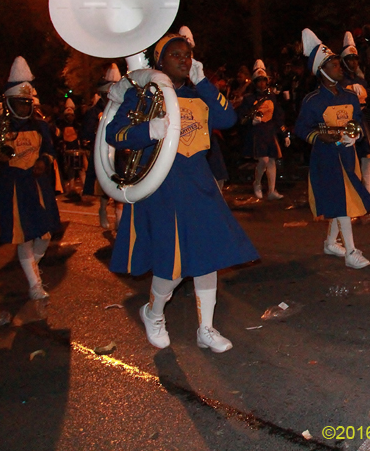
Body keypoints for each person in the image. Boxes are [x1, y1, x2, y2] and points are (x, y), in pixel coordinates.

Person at [106, 30, 259, 352]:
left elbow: (228, 118)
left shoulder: (198, 93)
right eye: (175, 54)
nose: (183, 59)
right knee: (172, 260)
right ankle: (154, 312)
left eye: (187, 54)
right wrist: (148, 130)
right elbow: (114, 134)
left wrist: (204, 83)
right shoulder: (145, 96)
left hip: (199, 184)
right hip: (162, 188)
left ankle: (206, 327)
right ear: (160, 61)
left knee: (208, 257)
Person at [0, 57, 60, 299]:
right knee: (23, 236)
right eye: (19, 104)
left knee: (45, 234)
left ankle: (33, 269)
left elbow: (50, 151)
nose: (24, 108)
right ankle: (34, 284)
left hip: (38, 186)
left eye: (27, 103)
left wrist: (44, 161)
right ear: (10, 103)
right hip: (13, 187)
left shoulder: (40, 126)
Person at [294, 28, 370, 270]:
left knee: (344, 199)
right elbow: (301, 129)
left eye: (340, 64)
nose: (340, 68)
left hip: (348, 156)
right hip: (327, 158)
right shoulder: (312, 101)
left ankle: (331, 243)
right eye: (335, 65)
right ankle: (351, 251)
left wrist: (356, 135)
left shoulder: (350, 97)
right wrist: (320, 137)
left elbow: (357, 121)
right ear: (321, 70)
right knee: (343, 200)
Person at [339, 31, 370, 201]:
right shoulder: (340, 80)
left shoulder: (361, 79)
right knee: (350, 158)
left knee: (367, 156)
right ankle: (352, 193)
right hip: (345, 122)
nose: (353, 62)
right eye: (349, 59)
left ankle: (367, 191)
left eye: (355, 59)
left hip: (360, 120)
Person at [82, 63, 123, 230]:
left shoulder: (124, 109)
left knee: (121, 187)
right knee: (105, 187)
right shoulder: (93, 112)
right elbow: (86, 133)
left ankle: (120, 224)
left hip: (120, 152)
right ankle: (102, 209)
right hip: (102, 151)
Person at [241, 59, 287, 200]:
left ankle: (272, 190)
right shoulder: (249, 99)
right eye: (259, 80)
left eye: (264, 80)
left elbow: (278, 115)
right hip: (257, 133)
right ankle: (257, 183)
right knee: (264, 160)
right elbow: (241, 117)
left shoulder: (271, 97)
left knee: (272, 161)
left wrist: (284, 133)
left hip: (270, 132)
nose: (262, 83)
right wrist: (251, 120)